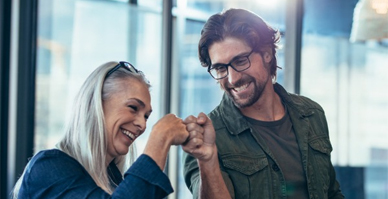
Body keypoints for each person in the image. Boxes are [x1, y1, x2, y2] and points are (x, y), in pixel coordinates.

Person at [182, 8, 345, 199]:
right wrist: (207, 161)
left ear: (267, 54)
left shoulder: (312, 114)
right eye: (220, 68)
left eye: (241, 61)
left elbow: (331, 193)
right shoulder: (206, 138)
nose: (233, 79)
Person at [12, 61, 194, 198]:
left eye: (146, 116)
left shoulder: (112, 178)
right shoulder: (48, 167)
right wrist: (160, 139)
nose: (143, 124)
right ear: (97, 104)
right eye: (133, 107)